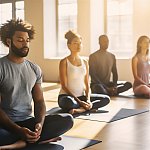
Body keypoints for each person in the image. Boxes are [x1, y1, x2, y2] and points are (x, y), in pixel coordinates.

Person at [0, 19, 73, 149]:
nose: (25, 44)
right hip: (6, 125)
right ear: (8, 41)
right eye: (20, 40)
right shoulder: (1, 67)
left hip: (28, 122)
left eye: (27, 40)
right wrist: (18, 130)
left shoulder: (34, 69)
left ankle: (19, 144)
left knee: (67, 119)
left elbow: (39, 101)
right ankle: (32, 141)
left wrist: (39, 123)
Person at [58, 30, 110, 115]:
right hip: (67, 97)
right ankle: (85, 107)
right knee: (68, 103)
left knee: (106, 99)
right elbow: (64, 86)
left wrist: (88, 100)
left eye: (80, 43)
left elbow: (87, 84)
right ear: (69, 46)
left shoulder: (85, 62)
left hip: (82, 97)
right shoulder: (64, 62)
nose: (78, 45)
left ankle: (81, 109)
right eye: (75, 43)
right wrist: (80, 102)